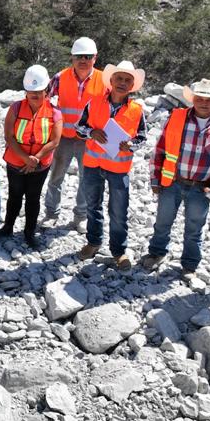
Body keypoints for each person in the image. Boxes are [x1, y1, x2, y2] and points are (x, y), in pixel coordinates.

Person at [140, 78, 210, 274]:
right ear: (193, 99)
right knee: (162, 222)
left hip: (203, 187)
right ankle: (156, 252)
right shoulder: (177, 118)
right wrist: (155, 179)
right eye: (200, 98)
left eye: (209, 99)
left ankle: (190, 264)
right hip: (173, 181)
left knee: (194, 229)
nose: (204, 103)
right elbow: (160, 149)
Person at [76, 60, 148, 269]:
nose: (122, 83)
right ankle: (93, 242)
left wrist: (131, 146)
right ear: (111, 81)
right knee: (93, 206)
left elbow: (142, 138)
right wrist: (91, 132)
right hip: (92, 164)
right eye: (119, 78)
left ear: (132, 85)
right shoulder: (94, 102)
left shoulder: (137, 110)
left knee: (118, 211)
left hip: (118, 169)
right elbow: (79, 127)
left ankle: (118, 251)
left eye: (127, 80)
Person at [0, 65, 62, 246]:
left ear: (46, 90)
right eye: (32, 92)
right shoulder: (15, 108)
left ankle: (29, 232)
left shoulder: (55, 112)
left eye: (39, 91)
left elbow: (54, 141)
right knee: (14, 195)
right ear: (26, 91)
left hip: (40, 164)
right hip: (16, 162)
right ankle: (8, 227)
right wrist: (25, 159)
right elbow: (9, 136)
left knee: (33, 197)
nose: (35, 95)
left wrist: (35, 158)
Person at [44, 37, 105, 231]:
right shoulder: (61, 77)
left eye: (87, 57)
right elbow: (44, 100)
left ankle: (80, 216)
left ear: (95, 58)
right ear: (72, 57)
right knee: (56, 176)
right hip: (63, 137)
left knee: (86, 179)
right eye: (79, 56)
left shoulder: (103, 80)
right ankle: (51, 213)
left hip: (88, 139)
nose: (83, 60)